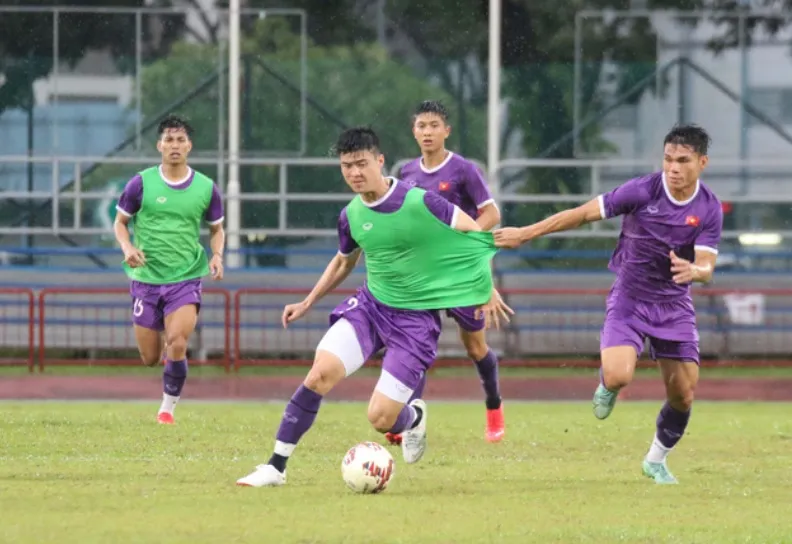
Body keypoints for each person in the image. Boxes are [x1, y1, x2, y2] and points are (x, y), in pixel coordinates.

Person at [236, 126, 511, 488]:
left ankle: (412, 419)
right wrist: (307, 301)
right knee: (319, 374)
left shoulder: (421, 202)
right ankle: (276, 467)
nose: (354, 172)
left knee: (381, 418)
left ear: (379, 161)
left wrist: (483, 286)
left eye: (361, 163)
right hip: (370, 308)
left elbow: (474, 235)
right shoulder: (350, 215)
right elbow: (343, 262)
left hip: (415, 322)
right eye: (346, 166)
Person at [494, 124, 723, 484]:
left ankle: (655, 460)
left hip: (674, 305)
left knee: (683, 395)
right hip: (631, 298)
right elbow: (583, 213)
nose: (673, 168)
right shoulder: (641, 191)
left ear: (702, 162)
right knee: (620, 375)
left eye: (683, 160)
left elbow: (707, 267)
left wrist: (695, 270)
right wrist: (525, 233)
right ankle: (607, 384)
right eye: (667, 159)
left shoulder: (709, 208)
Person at [392, 99, 505, 444]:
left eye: (434, 126)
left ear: (446, 131)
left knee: (475, 348)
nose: (427, 132)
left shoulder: (464, 170)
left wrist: (460, 244)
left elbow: (492, 215)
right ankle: (410, 423)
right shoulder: (407, 174)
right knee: (418, 345)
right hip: (423, 275)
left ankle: (494, 408)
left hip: (459, 273)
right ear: (414, 131)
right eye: (421, 126)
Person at [114, 114, 225, 425]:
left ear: (189, 146)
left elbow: (217, 229)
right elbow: (120, 223)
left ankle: (167, 408)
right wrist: (128, 248)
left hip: (186, 277)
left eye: (180, 140)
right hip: (146, 279)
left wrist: (216, 255)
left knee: (177, 342)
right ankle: (165, 351)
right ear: (159, 145)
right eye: (169, 140)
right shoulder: (140, 183)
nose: (175, 145)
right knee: (150, 358)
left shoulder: (206, 187)